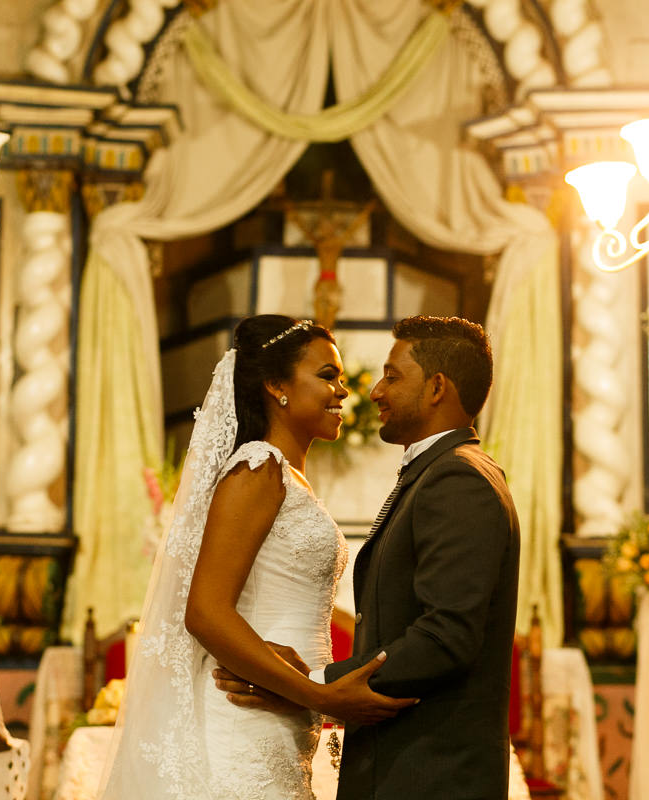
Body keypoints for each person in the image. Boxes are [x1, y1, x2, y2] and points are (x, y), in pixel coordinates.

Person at [96, 315, 414, 800]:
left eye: (340, 378)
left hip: (281, 717)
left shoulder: (288, 478)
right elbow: (205, 612)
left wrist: (308, 692)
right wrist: (319, 695)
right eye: (327, 376)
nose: (342, 391)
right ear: (275, 385)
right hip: (245, 726)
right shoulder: (258, 468)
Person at [218, 315, 522, 799]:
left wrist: (316, 686)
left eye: (392, 376)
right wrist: (315, 691)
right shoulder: (439, 472)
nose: (374, 391)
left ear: (437, 387)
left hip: (432, 776)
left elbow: (445, 635)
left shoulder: (457, 478)